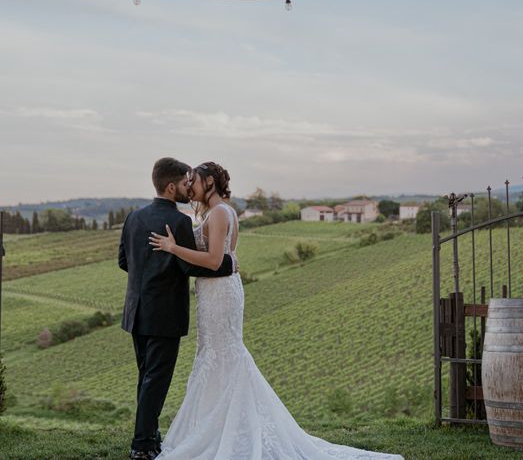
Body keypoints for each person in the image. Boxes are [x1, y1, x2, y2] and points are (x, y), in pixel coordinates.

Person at [148, 162, 403, 460]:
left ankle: (226, 429)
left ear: (210, 183)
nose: (190, 185)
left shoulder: (219, 213)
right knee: (214, 356)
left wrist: (173, 248)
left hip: (219, 293)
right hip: (215, 291)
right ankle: (216, 425)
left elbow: (216, 260)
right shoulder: (216, 212)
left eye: (195, 180)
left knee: (223, 355)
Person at [119, 157, 238, 460]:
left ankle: (149, 435)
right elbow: (187, 265)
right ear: (171, 187)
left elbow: (124, 261)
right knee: (156, 380)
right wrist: (228, 264)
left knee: (146, 376)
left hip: (135, 310)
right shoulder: (180, 221)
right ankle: (142, 445)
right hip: (164, 313)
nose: (188, 187)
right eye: (185, 183)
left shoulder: (133, 217)